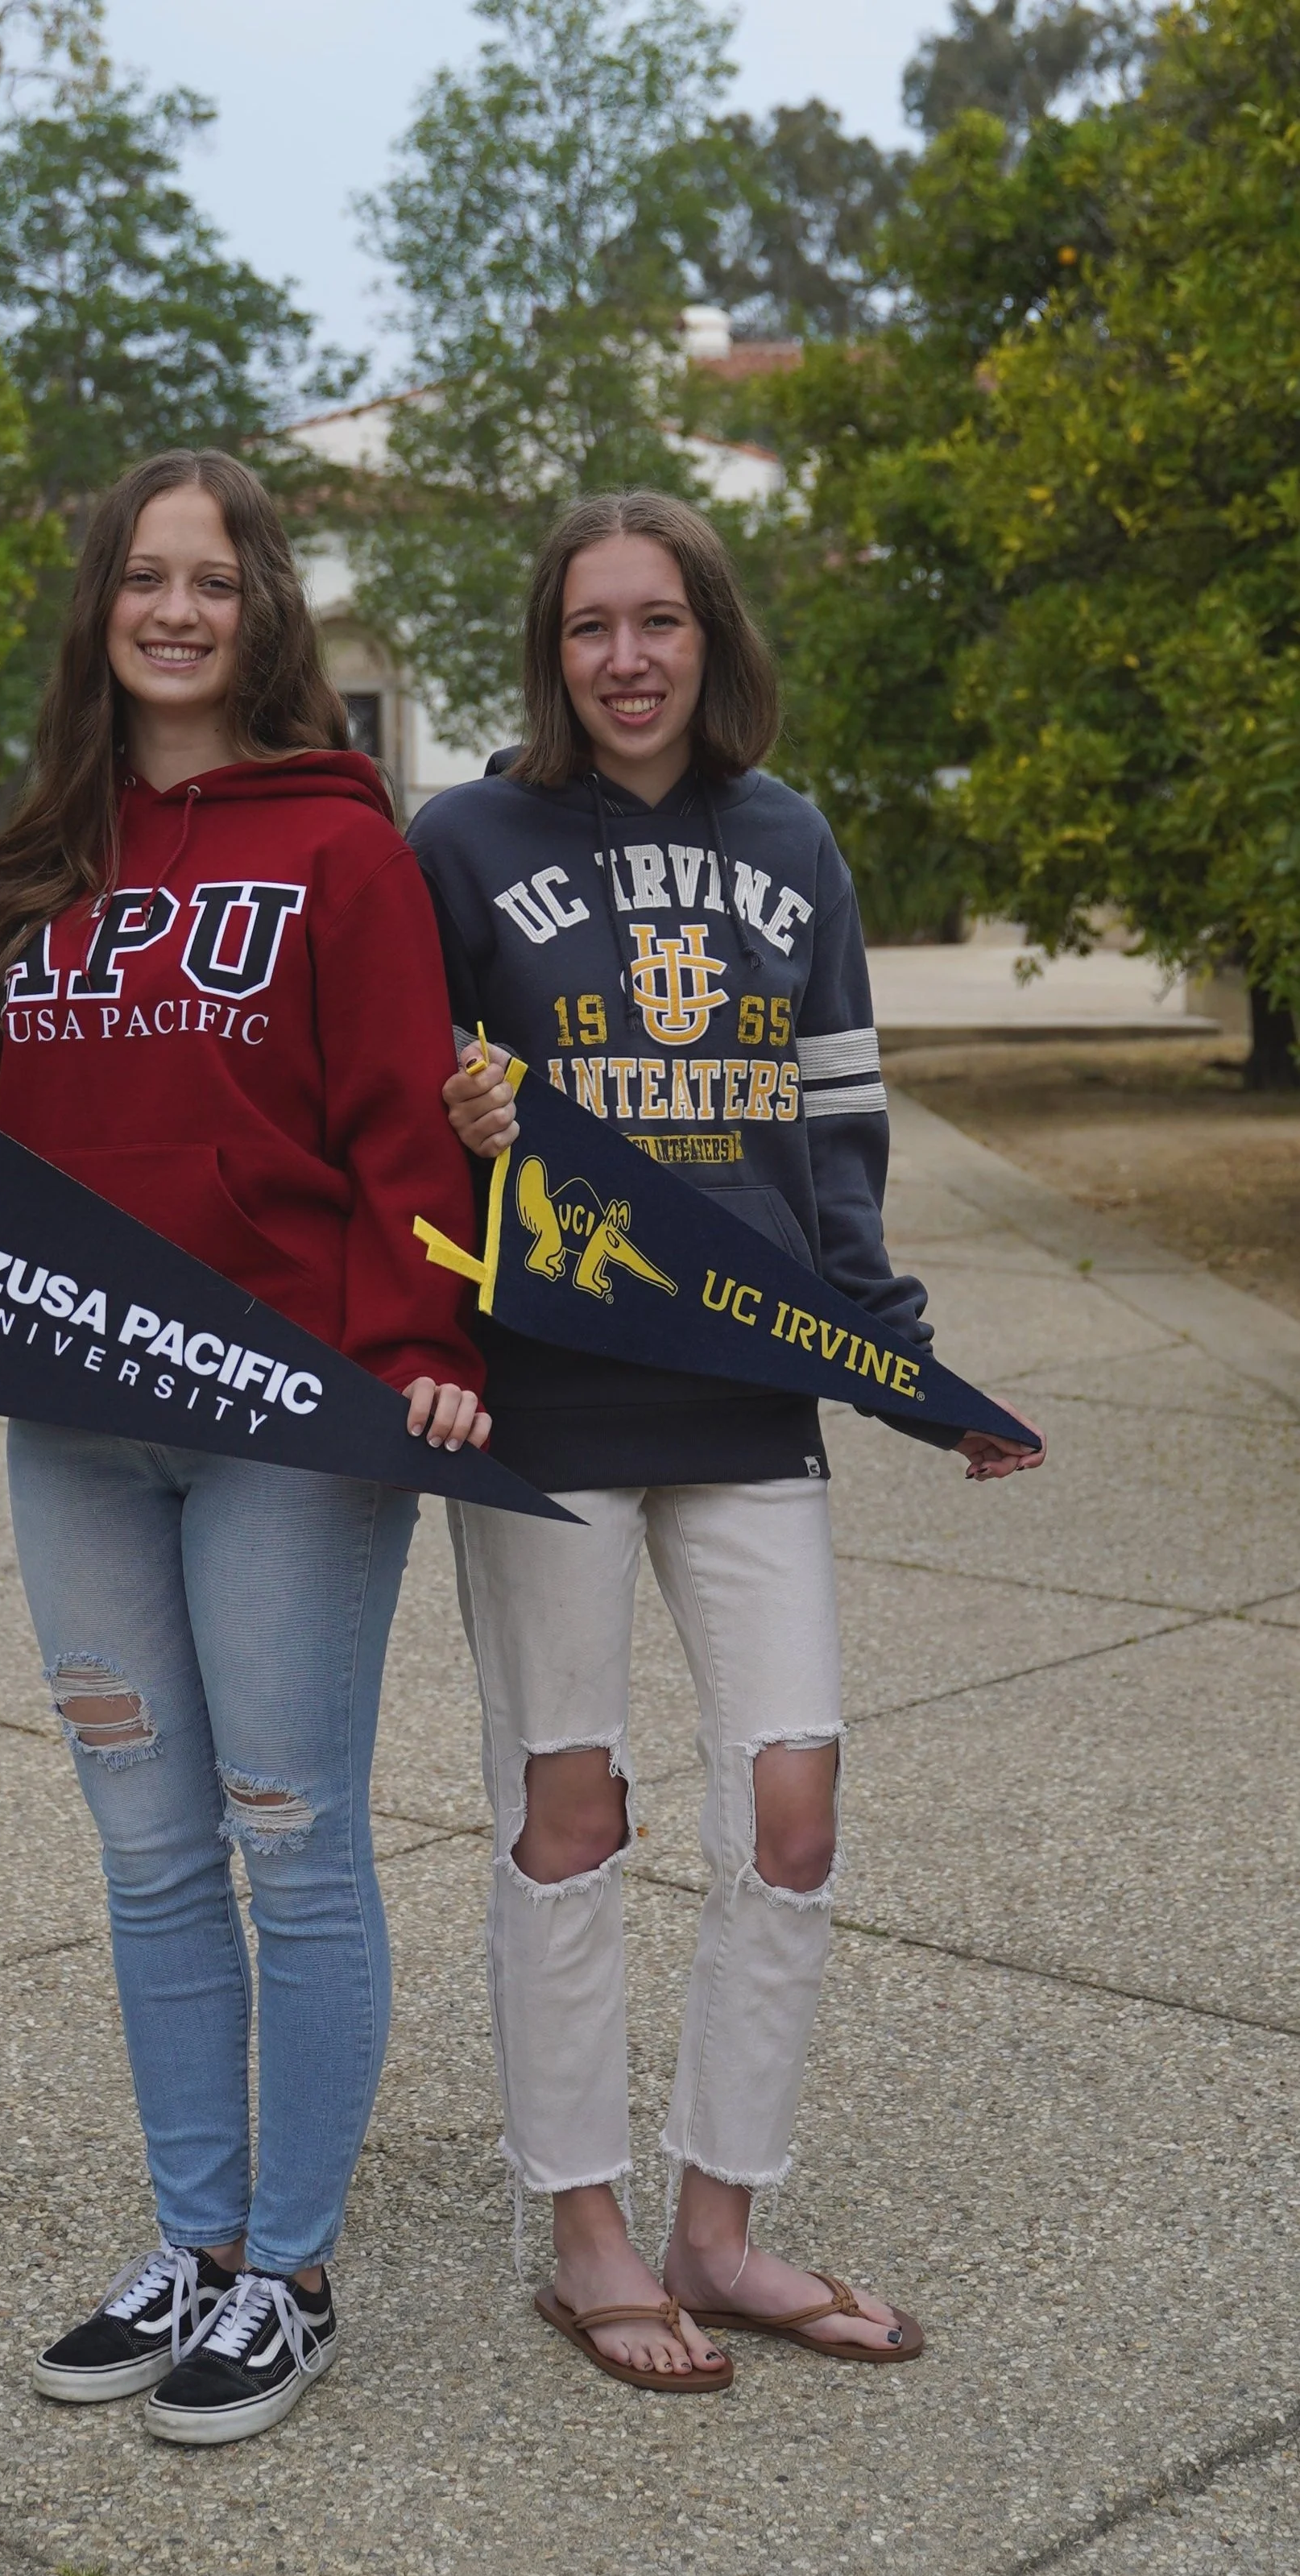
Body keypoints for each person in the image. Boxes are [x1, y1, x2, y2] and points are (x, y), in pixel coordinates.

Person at [0, 448, 490, 2446]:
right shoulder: (32, 856)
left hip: (283, 1420)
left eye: (211, 578)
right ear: (103, 611)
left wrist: (419, 1340)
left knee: (292, 1834)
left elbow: (405, 1126)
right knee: (151, 1854)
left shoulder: (343, 852)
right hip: (77, 1425)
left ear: (262, 606)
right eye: (141, 578)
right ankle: (192, 2246)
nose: (174, 609)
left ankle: (294, 2264)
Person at [410, 491, 1044, 2392]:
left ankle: (722, 2223)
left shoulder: (792, 842)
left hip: (750, 1399)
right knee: (570, 1812)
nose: (626, 656)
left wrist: (909, 1368)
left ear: (711, 637)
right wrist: (449, 1164)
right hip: (550, 1402)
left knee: (791, 1806)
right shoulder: (461, 841)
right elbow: (396, 1130)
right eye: (591, 624)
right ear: (551, 646)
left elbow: (831, 1144)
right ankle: (585, 2229)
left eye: (659, 621)